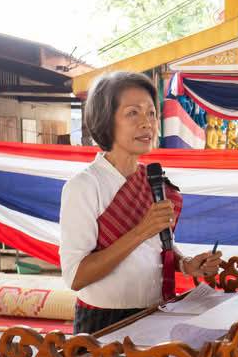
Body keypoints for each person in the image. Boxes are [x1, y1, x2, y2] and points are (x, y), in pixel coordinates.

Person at [59, 72, 222, 335]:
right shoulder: (84, 186)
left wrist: (186, 264)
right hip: (104, 320)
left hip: (154, 311)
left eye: (151, 113)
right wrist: (141, 230)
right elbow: (76, 276)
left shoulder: (153, 179)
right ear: (106, 120)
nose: (147, 123)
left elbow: (158, 246)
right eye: (133, 113)